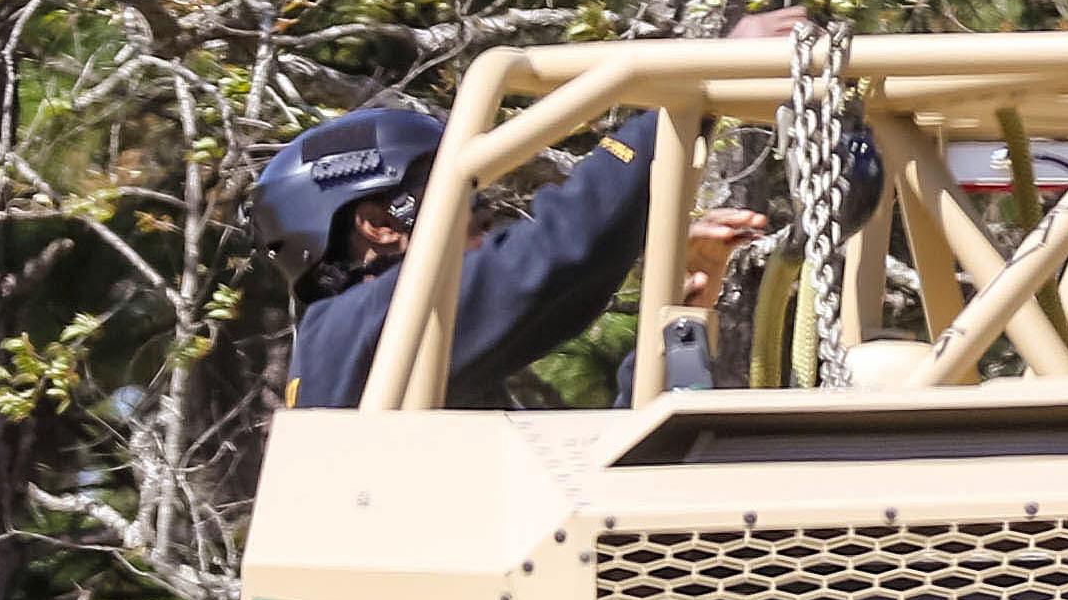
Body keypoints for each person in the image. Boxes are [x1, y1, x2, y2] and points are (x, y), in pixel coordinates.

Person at [264, 107, 760, 410]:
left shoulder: (409, 357)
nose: (486, 207)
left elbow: (604, 478)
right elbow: (561, 252)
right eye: (454, 188)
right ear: (382, 224)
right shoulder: (356, 328)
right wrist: (667, 118)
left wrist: (673, 318)